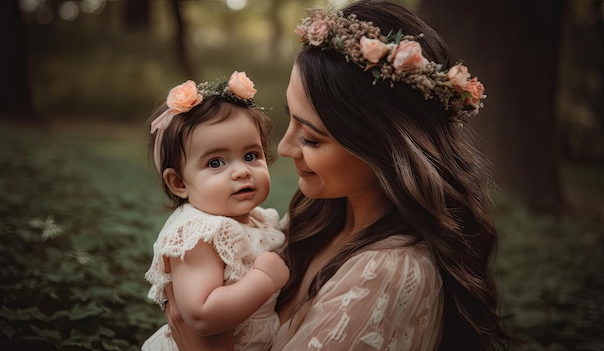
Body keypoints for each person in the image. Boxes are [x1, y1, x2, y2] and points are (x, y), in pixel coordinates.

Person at [163, 1, 513, 349]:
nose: (283, 148)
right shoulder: (314, 219)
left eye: (311, 139)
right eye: (291, 118)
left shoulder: (388, 273)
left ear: (382, 150)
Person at [142, 71, 290, 351]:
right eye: (215, 163)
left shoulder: (259, 219)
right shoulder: (199, 233)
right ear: (179, 182)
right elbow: (201, 315)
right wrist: (265, 279)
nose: (242, 171)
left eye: (251, 156)